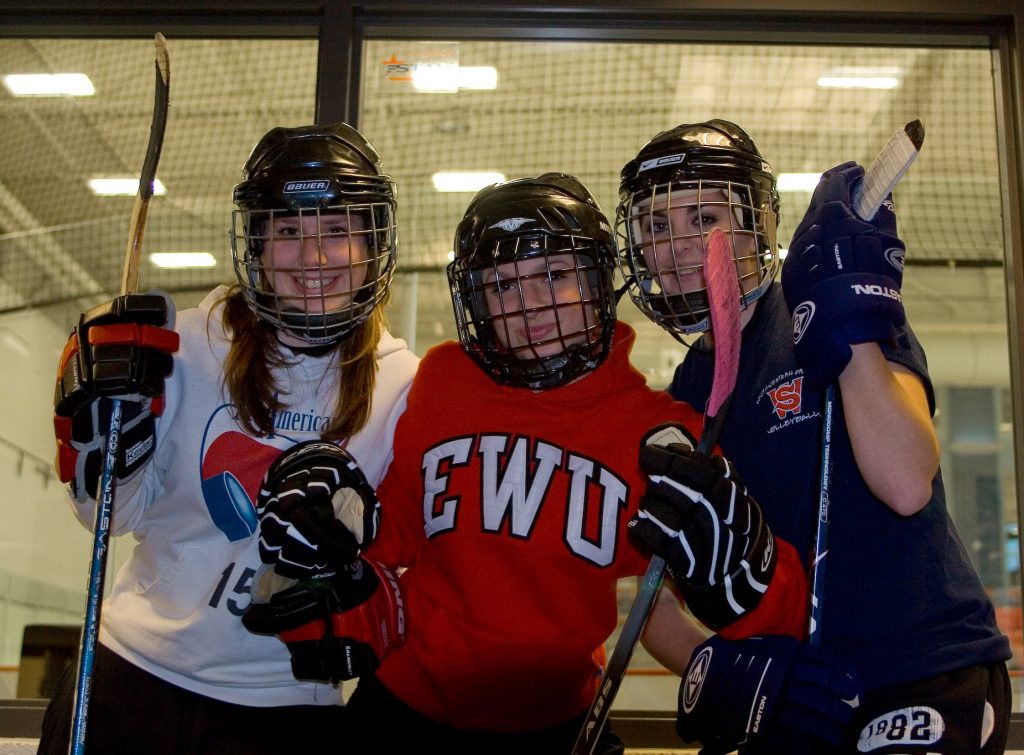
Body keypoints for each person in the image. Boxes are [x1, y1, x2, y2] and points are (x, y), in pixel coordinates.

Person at [242, 172, 816, 755]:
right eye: (502, 285)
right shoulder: (443, 379)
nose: (530, 304)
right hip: (402, 709)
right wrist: (337, 532)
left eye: (554, 275)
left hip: (557, 724)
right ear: (476, 301)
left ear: (597, 279)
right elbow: (396, 535)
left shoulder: (655, 434)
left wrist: (749, 575)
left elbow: (757, 611)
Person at [616, 119, 1012, 754]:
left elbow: (908, 483)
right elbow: (655, 596)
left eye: (704, 216)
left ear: (756, 225)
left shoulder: (824, 309)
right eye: (658, 226)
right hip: (804, 691)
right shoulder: (684, 394)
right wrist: (724, 670)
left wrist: (848, 332)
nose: (681, 245)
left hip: (924, 665)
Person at [40, 121, 419, 754]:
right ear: (259, 245)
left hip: (289, 707)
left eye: (336, 231)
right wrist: (99, 446)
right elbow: (109, 516)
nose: (315, 258)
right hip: (131, 679)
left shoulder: (404, 384)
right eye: (289, 232)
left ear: (371, 242)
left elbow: (403, 560)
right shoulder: (183, 345)